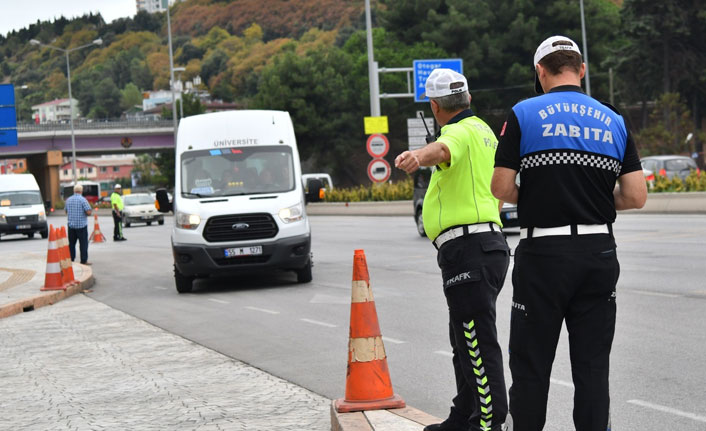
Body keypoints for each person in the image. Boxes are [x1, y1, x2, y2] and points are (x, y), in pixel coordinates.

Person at [491, 35, 647, 431]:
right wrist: (589, 200)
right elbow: (636, 196)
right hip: (598, 252)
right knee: (593, 369)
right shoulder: (613, 119)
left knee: (531, 367)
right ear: (581, 70)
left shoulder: (524, 114)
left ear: (540, 72)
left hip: (543, 254)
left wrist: (541, 196)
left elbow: (500, 187)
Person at [395, 68, 510, 431]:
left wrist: (418, 155)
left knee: (477, 342)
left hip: (468, 248)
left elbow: (442, 149)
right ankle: (463, 416)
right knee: (464, 339)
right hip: (487, 243)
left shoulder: (458, 132)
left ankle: (488, 423)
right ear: (468, 98)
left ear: (434, 106)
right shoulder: (486, 133)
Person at [65, 184, 93, 265]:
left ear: (74, 191)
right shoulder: (83, 200)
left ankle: (72, 260)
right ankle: (83, 260)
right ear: (81, 191)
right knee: (83, 244)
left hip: (71, 226)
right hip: (81, 226)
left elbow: (66, 211)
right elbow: (88, 212)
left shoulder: (68, 200)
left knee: (71, 244)